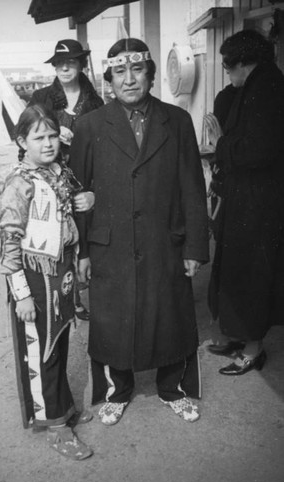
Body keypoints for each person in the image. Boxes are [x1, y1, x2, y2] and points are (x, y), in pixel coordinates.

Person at [69, 38, 209, 425]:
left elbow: (193, 189)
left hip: (165, 240)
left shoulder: (177, 121)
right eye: (119, 72)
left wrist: (195, 246)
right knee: (114, 320)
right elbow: (78, 192)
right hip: (109, 245)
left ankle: (172, 389)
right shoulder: (89, 125)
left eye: (136, 70)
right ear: (108, 79)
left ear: (149, 74)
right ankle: (119, 391)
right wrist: (81, 252)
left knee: (170, 316)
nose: (129, 80)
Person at [0, 104, 93, 460]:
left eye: (53, 135)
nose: (48, 143)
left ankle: (63, 407)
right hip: (35, 279)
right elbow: (8, 243)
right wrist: (20, 295)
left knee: (60, 343)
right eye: (39, 137)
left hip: (61, 272)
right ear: (22, 141)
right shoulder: (18, 183)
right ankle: (55, 426)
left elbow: (68, 217)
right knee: (42, 351)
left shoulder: (58, 173)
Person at [204, 29, 284, 375]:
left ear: (242, 62)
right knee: (235, 269)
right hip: (245, 198)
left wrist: (221, 146)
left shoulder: (268, 89)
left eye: (227, 65)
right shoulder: (253, 86)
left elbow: (259, 150)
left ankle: (253, 347)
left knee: (252, 273)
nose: (226, 71)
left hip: (260, 202)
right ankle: (238, 335)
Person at [29, 39, 104, 321]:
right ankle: (61, 295)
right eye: (58, 63)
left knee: (83, 232)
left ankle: (79, 291)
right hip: (51, 175)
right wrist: (52, 130)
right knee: (56, 233)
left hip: (84, 176)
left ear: (80, 65)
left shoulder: (95, 101)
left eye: (70, 62)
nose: (63, 67)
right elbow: (25, 132)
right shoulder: (42, 98)